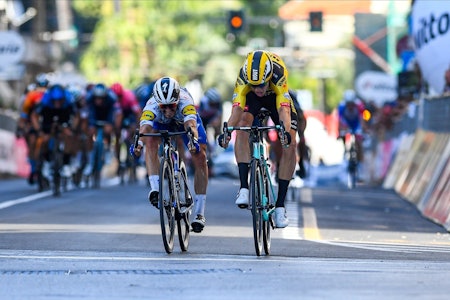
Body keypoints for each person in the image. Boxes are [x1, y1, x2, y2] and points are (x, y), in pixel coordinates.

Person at [218, 50, 298, 228]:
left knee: (290, 144)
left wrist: (284, 131)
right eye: (254, 85)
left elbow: (284, 110)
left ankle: (280, 207)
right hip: (251, 102)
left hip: (275, 98)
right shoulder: (244, 77)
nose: (258, 89)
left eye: (261, 85)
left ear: (268, 77)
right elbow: (236, 111)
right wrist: (228, 130)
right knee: (242, 125)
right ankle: (244, 188)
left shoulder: (278, 73)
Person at [132, 77, 209, 233]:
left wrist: (193, 141)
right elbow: (144, 128)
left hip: (183, 123)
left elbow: (191, 125)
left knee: (200, 155)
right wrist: (138, 143)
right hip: (161, 125)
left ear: (177, 100)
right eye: (163, 107)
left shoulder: (185, 101)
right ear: (157, 103)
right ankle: (155, 189)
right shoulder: (152, 104)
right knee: (150, 142)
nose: (167, 111)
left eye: (171, 106)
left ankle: (200, 213)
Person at [31, 84, 78, 180]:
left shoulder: (68, 100)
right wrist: (39, 130)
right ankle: (46, 162)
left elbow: (76, 116)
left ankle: (66, 163)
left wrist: (72, 128)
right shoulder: (45, 101)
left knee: (68, 135)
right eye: (55, 101)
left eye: (59, 101)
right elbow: (34, 116)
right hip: (48, 114)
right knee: (44, 138)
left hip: (64, 114)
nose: (57, 103)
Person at [16, 73, 49, 184]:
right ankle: (34, 168)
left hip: (45, 122)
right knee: (31, 142)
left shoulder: (50, 95)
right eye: (40, 86)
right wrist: (21, 126)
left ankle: (49, 161)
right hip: (32, 121)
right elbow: (24, 113)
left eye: (44, 86)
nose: (42, 89)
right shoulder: (30, 95)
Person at [82, 83, 119, 176]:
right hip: (95, 113)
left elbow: (113, 113)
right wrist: (91, 125)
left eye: (101, 98)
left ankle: (107, 151)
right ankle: (90, 161)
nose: (98, 100)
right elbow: (89, 113)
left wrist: (110, 124)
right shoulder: (89, 98)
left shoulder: (111, 99)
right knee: (90, 132)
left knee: (108, 130)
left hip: (107, 113)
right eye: (97, 98)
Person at [110, 82, 142, 174]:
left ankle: (133, 154)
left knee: (132, 131)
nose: (118, 99)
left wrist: (137, 127)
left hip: (130, 114)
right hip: (119, 115)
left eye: (119, 97)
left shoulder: (129, 97)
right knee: (117, 134)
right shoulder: (112, 100)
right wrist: (116, 128)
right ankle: (118, 159)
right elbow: (117, 116)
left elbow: (138, 113)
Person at [198, 87, 223, 176]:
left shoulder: (219, 103)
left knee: (217, 129)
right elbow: (199, 117)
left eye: (215, 104)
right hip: (203, 118)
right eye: (212, 104)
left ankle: (214, 150)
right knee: (203, 137)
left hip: (212, 117)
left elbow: (219, 117)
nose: (214, 105)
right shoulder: (203, 101)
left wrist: (217, 131)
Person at [337, 89, 365, 163]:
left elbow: (362, 119)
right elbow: (340, 120)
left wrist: (363, 129)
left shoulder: (359, 105)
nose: (350, 106)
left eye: (351, 104)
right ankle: (345, 150)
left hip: (357, 124)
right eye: (348, 104)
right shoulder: (341, 106)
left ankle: (361, 161)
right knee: (342, 135)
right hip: (347, 124)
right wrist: (340, 131)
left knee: (359, 142)